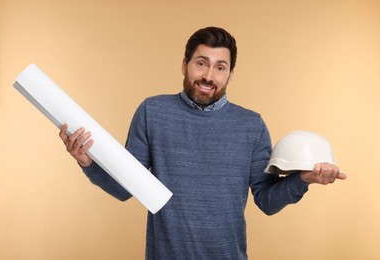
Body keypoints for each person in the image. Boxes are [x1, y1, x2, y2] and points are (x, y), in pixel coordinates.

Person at [59, 27, 347, 259]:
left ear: (231, 74)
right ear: (185, 65)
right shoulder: (153, 112)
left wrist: (304, 180)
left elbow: (267, 201)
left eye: (220, 67)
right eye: (201, 64)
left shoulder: (251, 125)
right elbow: (125, 189)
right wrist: (86, 162)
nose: (209, 76)